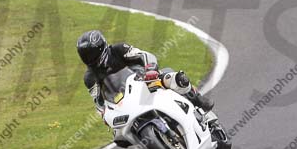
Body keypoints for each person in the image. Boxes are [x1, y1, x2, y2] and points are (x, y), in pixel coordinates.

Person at [76, 30, 214, 119]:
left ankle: (198, 100)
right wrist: (105, 114)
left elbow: (145, 55)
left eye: (91, 54)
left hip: (147, 80)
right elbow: (98, 102)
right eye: (85, 56)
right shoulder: (90, 77)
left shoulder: (118, 49)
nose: (89, 58)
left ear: (101, 47)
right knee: (120, 139)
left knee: (175, 78)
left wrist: (150, 70)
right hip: (125, 101)